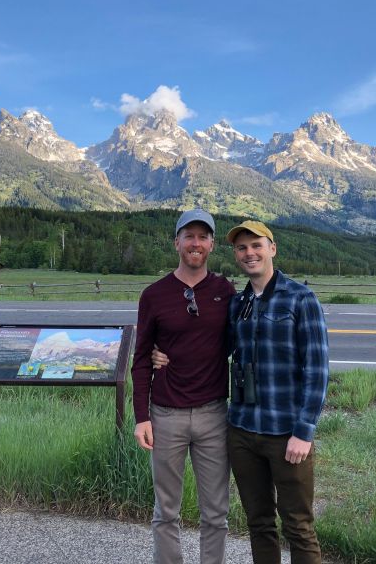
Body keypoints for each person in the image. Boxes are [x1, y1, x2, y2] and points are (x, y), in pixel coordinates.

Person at [131, 208, 236, 564]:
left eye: (203, 237)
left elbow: (238, 345)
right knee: (166, 512)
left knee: (216, 513)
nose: (196, 243)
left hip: (213, 415)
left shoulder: (226, 291)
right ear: (176, 242)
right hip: (165, 416)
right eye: (188, 236)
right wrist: (141, 417)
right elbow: (142, 358)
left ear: (211, 245)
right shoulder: (154, 295)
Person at [225, 220, 329, 564]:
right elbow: (216, 351)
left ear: (272, 248)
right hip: (242, 430)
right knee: (259, 523)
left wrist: (304, 431)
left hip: (286, 434)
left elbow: (317, 370)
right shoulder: (237, 303)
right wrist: (162, 353)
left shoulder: (301, 297)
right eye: (241, 248)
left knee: (298, 525)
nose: (249, 253)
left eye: (256, 245)